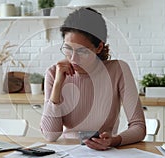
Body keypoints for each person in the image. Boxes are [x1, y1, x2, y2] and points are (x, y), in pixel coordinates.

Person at [40, 7, 146, 151]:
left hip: (105, 152)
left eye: (82, 51)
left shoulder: (118, 70)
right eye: (68, 49)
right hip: (67, 151)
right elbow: (50, 135)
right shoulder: (54, 73)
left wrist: (114, 141)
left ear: (99, 47)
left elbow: (138, 127)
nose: (73, 58)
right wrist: (58, 84)